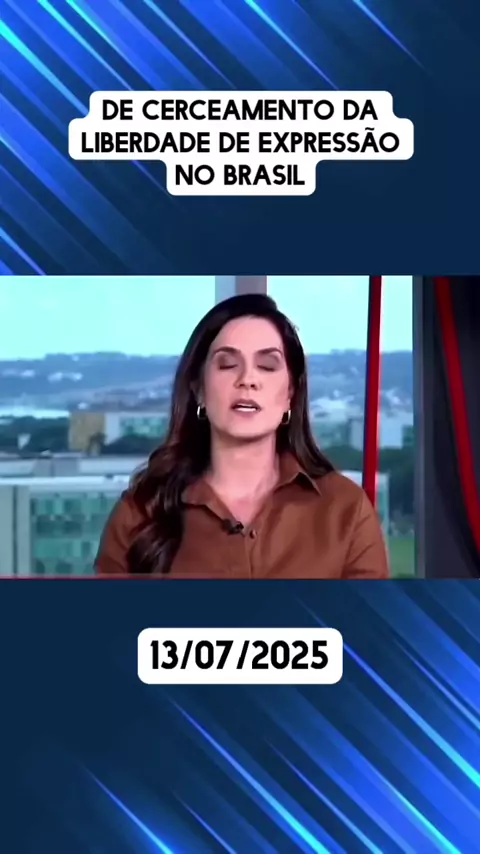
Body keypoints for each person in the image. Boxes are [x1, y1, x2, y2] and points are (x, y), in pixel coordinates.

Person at [95, 294, 389, 578]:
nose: (247, 379)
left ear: (290, 393)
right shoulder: (139, 514)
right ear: (199, 388)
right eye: (227, 364)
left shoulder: (345, 509)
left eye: (267, 366)